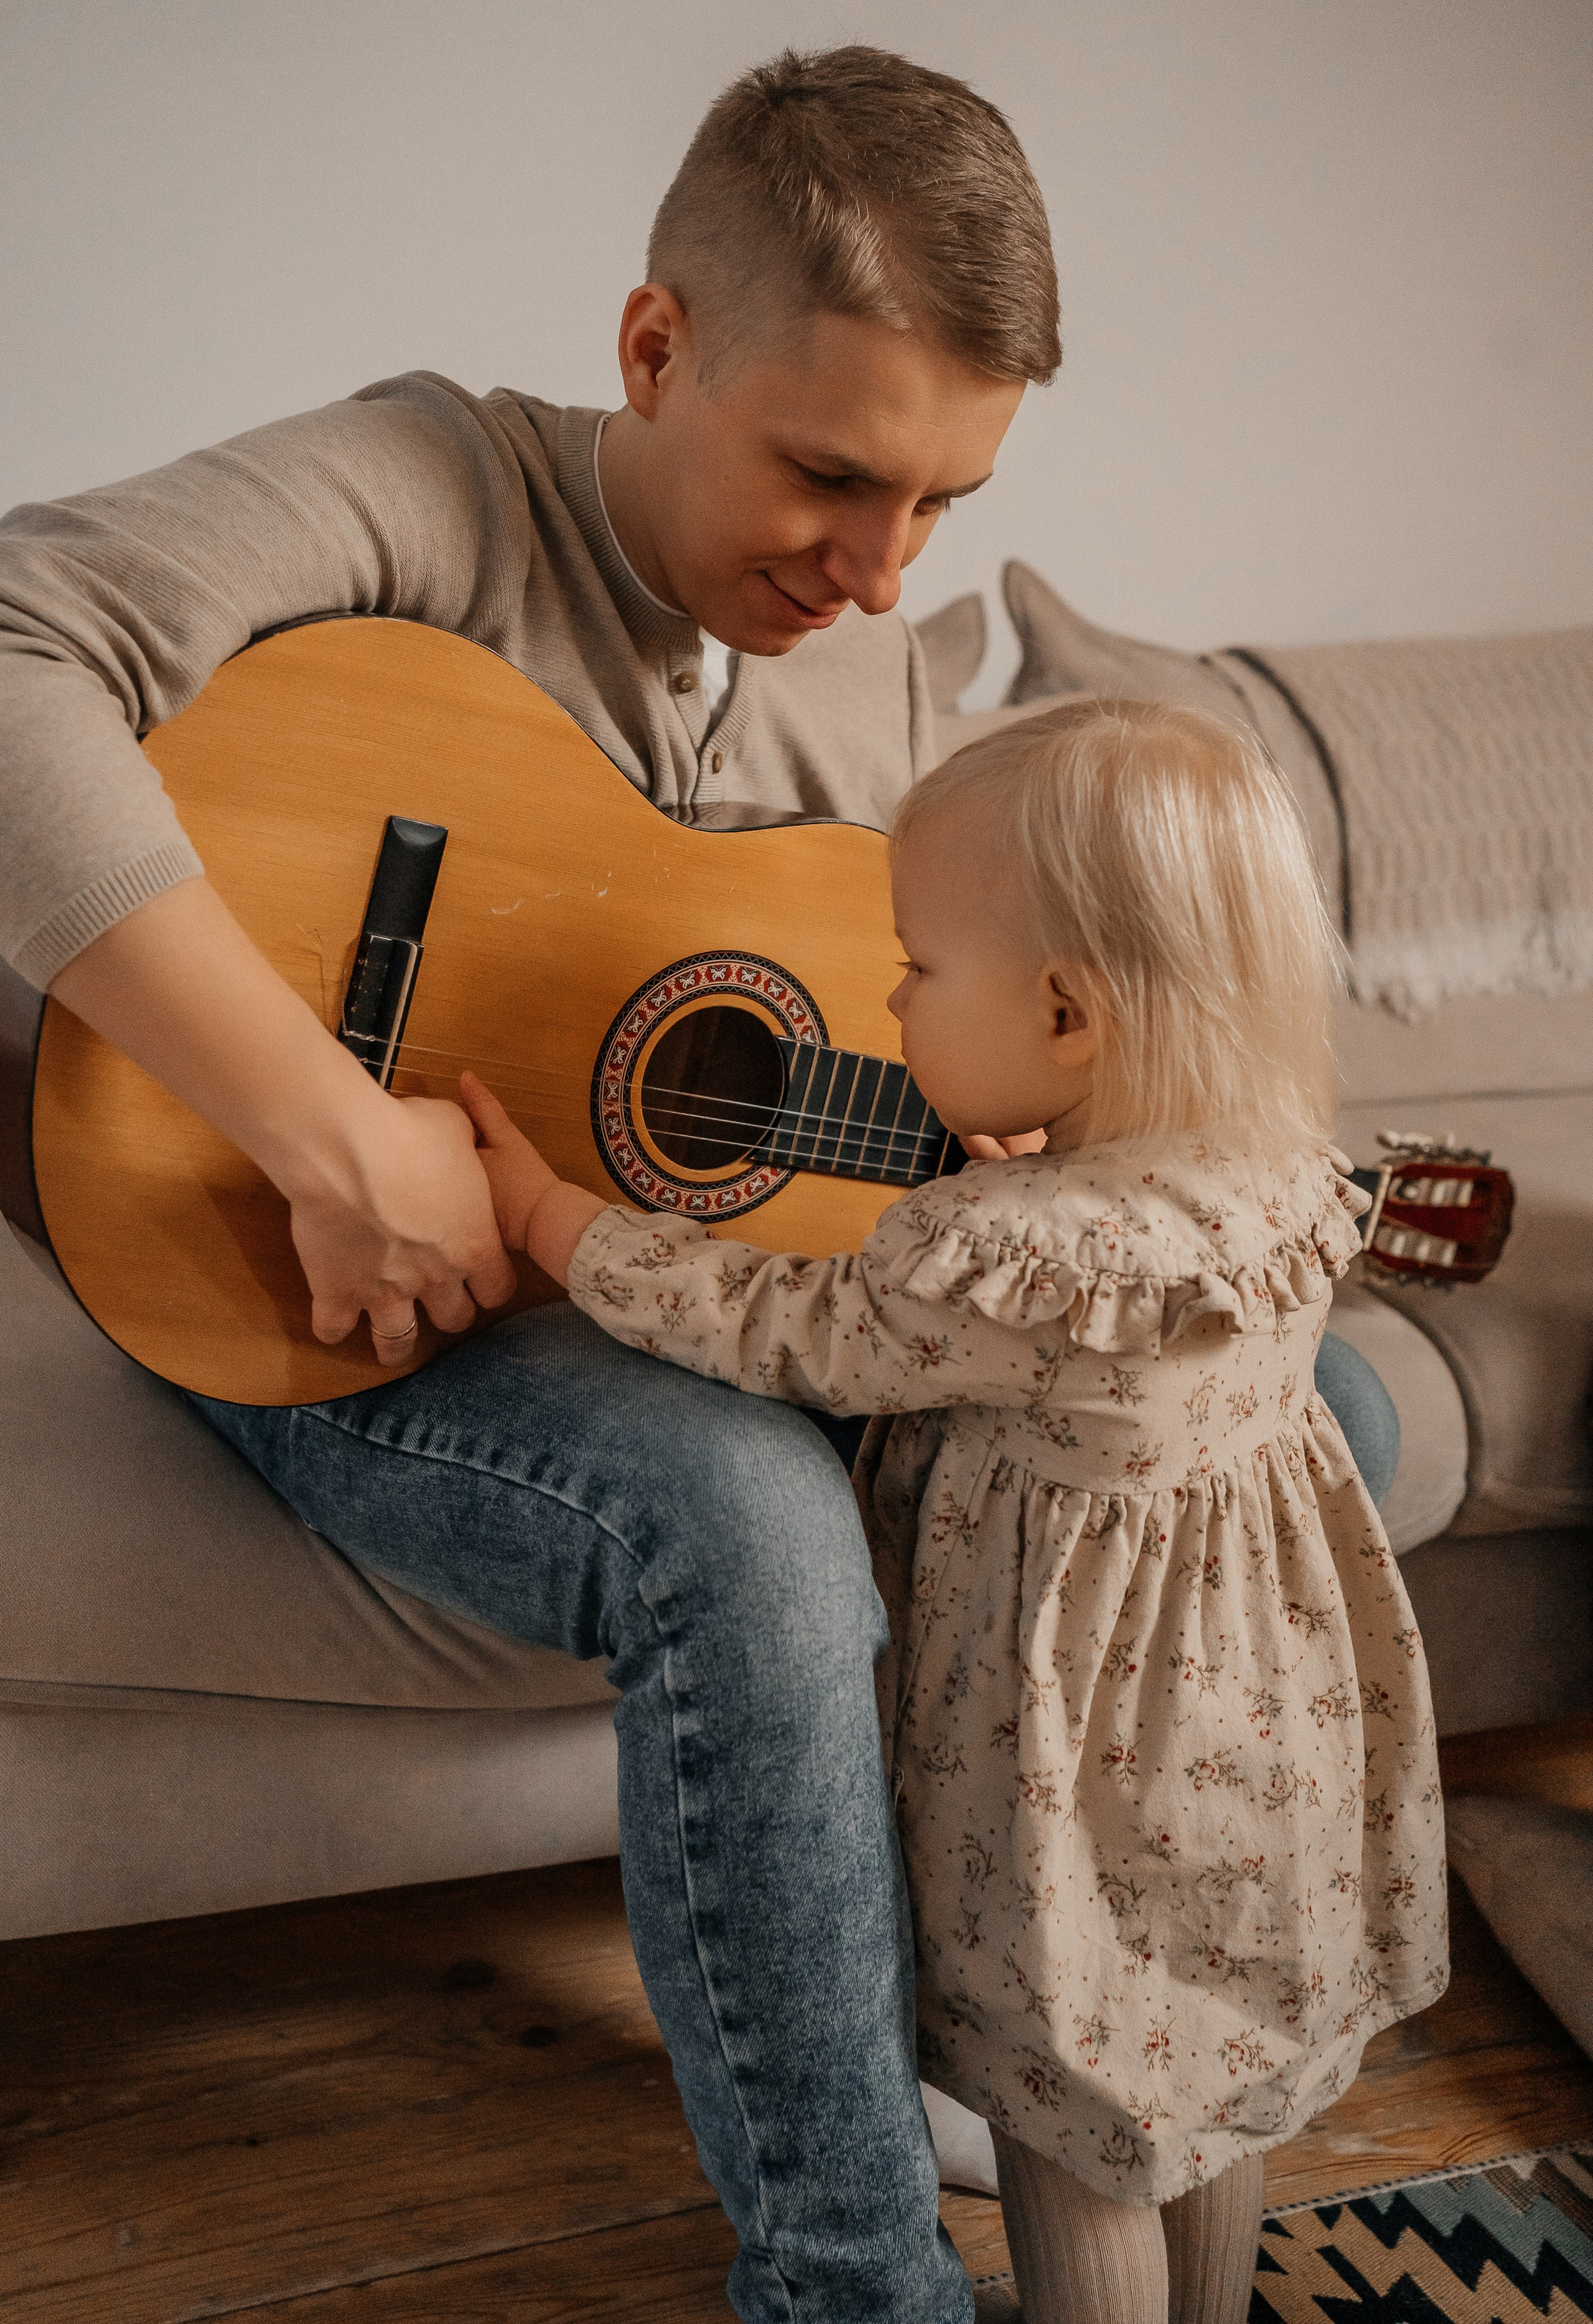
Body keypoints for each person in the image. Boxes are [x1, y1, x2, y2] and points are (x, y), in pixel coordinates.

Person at [0, 49, 1402, 2321]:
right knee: (744, 1524)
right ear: (655, 348)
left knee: (1328, 1427)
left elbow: (924, 1119)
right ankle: (859, 2285)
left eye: (944, 502)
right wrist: (330, 1135)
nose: (882, 570)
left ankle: (1107, 2056)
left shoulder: (880, 695)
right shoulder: (430, 481)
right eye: (832, 473)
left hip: (669, 1294)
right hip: (271, 1274)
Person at [456, 694, 1449, 2324]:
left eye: (916, 965)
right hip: (1256, 1747)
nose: (889, 995)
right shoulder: (1284, 1185)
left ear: (1065, 1014)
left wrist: (558, 1218)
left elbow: (779, 1325)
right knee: (1191, 2107)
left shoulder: (989, 1255)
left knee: (1070, 2132)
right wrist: (1019, 1173)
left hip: (1069, 1788)